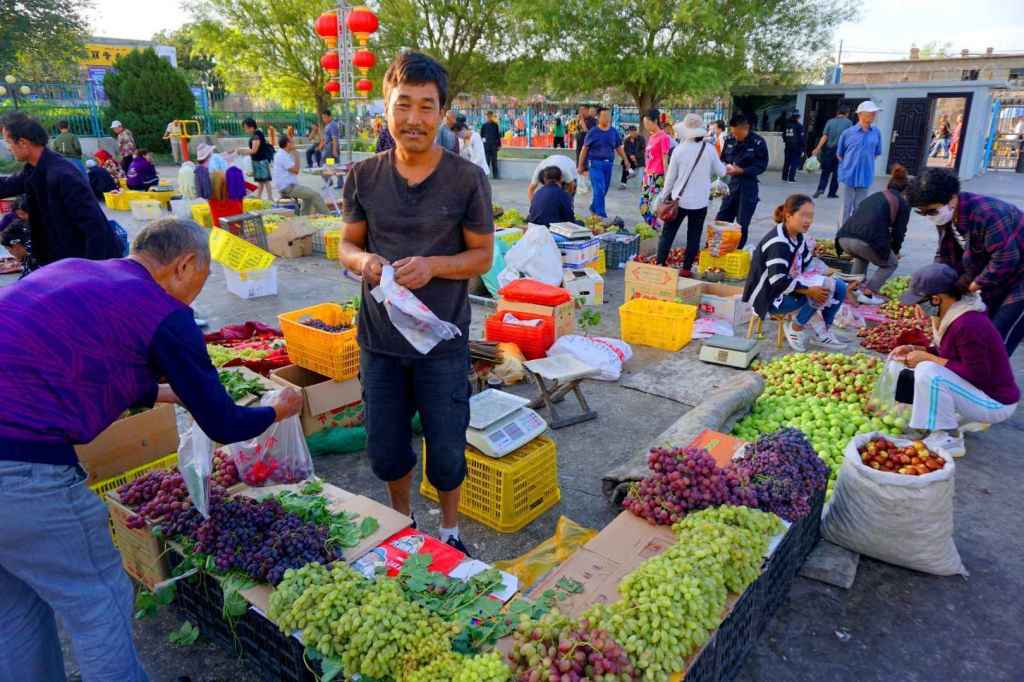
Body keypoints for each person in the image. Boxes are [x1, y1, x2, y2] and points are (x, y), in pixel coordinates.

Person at [0, 218, 303, 682]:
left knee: (17, 608)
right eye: (202, 280)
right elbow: (223, 423)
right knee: (98, 603)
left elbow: (81, 365)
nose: (196, 297)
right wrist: (278, 411)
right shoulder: (164, 310)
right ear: (184, 265)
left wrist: (166, 393)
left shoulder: (76, 272)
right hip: (21, 471)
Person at [338, 51, 493, 556]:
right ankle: (402, 520)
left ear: (443, 113)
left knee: (447, 447)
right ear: (385, 108)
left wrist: (434, 266)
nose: (414, 119)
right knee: (386, 448)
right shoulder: (363, 175)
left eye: (427, 107)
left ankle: (449, 530)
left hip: (441, 340)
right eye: (403, 105)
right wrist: (365, 264)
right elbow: (345, 245)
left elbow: (482, 256)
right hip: (379, 343)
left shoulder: (467, 179)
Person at [889, 263, 1019, 456]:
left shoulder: (968, 324)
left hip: (995, 401)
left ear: (936, 299)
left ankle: (949, 437)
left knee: (927, 370)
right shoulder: (952, 316)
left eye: (920, 301)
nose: (919, 307)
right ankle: (947, 420)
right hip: (978, 392)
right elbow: (950, 353)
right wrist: (919, 349)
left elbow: (978, 375)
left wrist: (928, 358)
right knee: (916, 364)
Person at [906, 167, 1024, 356]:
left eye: (932, 210)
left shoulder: (988, 214)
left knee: (997, 341)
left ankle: (995, 383)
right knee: (981, 332)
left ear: (952, 198)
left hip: (1018, 280)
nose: (929, 216)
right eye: (923, 213)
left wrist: (971, 287)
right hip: (993, 278)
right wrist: (934, 292)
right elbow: (945, 256)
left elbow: (1005, 259)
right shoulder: (947, 217)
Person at [0, 114, 122, 265]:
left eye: (8, 142)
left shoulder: (63, 174)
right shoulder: (34, 169)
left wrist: (91, 273)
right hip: (58, 260)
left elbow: (95, 228)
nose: (8, 148)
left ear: (23, 142)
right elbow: (7, 185)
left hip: (82, 263)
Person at [743, 194, 849, 352]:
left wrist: (832, 275)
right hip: (768, 296)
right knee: (819, 292)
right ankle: (795, 328)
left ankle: (823, 332)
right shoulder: (779, 243)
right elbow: (777, 281)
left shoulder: (797, 236)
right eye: (803, 215)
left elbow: (807, 263)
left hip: (787, 286)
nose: (808, 221)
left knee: (840, 287)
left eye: (811, 216)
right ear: (788, 215)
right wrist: (809, 290)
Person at [654, 113, 727, 275]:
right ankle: (686, 269)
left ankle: (660, 264)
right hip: (700, 202)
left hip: (678, 200)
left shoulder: (679, 150)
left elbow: (670, 179)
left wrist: (663, 197)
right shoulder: (709, 149)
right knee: (694, 236)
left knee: (668, 234)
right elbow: (721, 172)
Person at [836, 165, 911, 304]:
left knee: (862, 255)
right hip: (863, 241)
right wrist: (895, 252)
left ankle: (852, 289)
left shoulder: (875, 196)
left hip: (844, 237)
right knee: (891, 263)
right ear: (905, 191)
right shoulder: (902, 203)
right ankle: (869, 294)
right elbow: (899, 233)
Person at [715, 113, 768, 249]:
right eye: (733, 133)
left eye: (738, 133)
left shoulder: (758, 142)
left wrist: (742, 171)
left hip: (748, 187)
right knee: (721, 219)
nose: (735, 137)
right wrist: (724, 167)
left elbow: (761, 166)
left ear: (746, 128)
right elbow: (723, 159)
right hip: (731, 186)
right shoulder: (730, 140)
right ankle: (716, 249)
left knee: (741, 224)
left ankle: (736, 251)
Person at [577, 107, 628, 218]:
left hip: (608, 164)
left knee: (604, 189)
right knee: (599, 188)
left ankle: (594, 207)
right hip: (595, 164)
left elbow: (618, 147)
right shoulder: (593, 132)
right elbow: (584, 149)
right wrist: (580, 165)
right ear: (598, 118)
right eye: (604, 116)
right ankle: (601, 215)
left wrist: (626, 160)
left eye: (608, 116)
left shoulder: (613, 132)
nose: (607, 118)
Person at [837, 100, 883, 223]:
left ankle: (855, 232)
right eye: (870, 113)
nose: (873, 115)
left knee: (860, 207)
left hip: (865, 175)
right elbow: (840, 154)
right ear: (860, 114)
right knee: (846, 207)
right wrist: (849, 166)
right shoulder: (847, 133)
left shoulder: (876, 133)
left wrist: (865, 164)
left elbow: (876, 153)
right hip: (849, 175)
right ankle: (841, 234)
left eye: (874, 113)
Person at [273, 135, 328, 216]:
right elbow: (296, 171)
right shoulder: (282, 156)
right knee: (315, 195)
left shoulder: (282, 154)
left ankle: (303, 219)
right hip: (288, 188)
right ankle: (328, 216)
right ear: (288, 144)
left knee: (308, 196)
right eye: (292, 142)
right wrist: (297, 156)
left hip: (289, 186)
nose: (294, 143)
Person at [811, 106, 853, 199]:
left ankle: (820, 189)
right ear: (847, 113)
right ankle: (831, 193)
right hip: (841, 152)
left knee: (825, 171)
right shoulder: (849, 123)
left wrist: (817, 148)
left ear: (837, 113)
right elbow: (851, 138)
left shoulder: (830, 121)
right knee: (837, 172)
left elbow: (825, 136)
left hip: (829, 150)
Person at [637, 110, 670, 226]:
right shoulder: (651, 137)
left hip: (657, 176)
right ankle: (654, 228)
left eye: (647, 123)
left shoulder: (663, 137)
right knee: (643, 206)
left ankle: (654, 230)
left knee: (652, 207)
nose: (646, 126)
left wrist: (667, 179)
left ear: (655, 121)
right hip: (648, 175)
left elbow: (665, 159)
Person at [235, 117, 274, 200]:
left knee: (265, 180)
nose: (246, 130)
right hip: (258, 160)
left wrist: (241, 150)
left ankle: (270, 198)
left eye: (246, 128)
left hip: (261, 161)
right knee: (261, 181)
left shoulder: (256, 136)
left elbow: (254, 150)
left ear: (251, 127)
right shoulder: (257, 134)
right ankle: (259, 197)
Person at [781, 110, 805, 183]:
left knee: (787, 162)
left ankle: (784, 177)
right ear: (798, 117)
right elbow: (801, 138)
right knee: (794, 162)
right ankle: (791, 178)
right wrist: (803, 147)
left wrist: (786, 141)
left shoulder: (786, 124)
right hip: (796, 146)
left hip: (788, 145)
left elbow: (783, 135)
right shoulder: (799, 126)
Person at [480, 111, 501, 180]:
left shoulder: (495, 125)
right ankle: (486, 175)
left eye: (490, 116)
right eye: (488, 116)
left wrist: (499, 145)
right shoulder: (484, 126)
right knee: (487, 161)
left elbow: (498, 135)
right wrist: (483, 144)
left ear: (492, 116)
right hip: (486, 146)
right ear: (486, 117)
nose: (489, 117)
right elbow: (482, 136)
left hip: (494, 146)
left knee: (494, 161)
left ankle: (495, 175)